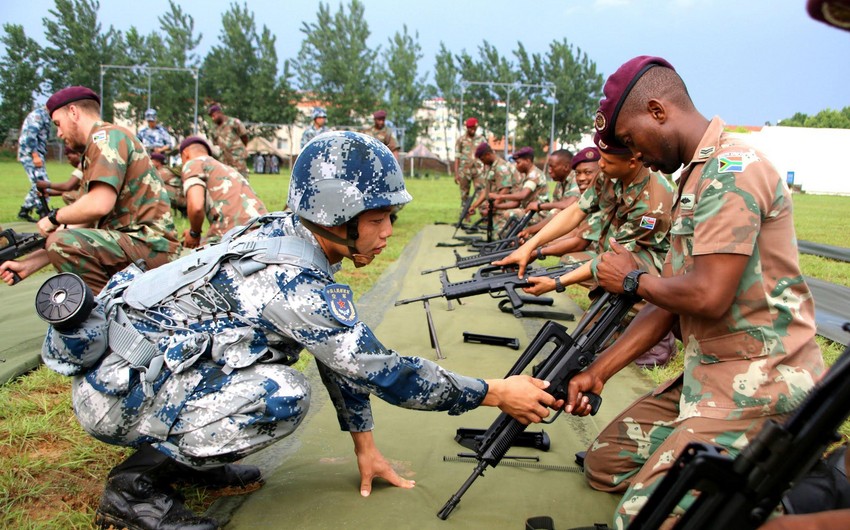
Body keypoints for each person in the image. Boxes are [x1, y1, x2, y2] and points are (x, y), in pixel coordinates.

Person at [39, 131, 559, 530]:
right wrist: (493, 392)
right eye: (378, 219)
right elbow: (386, 372)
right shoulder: (294, 283)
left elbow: (340, 351)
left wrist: (365, 445)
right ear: (337, 215)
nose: (387, 234)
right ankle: (133, 487)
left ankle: (189, 459)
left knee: (272, 374)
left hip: (138, 372)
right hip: (115, 393)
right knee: (281, 394)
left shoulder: (286, 233)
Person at [558, 56, 824, 528]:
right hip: (708, 377)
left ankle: (784, 486)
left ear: (658, 111)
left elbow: (707, 297)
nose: (635, 155)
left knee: (642, 519)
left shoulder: (732, 168)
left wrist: (633, 280)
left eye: (632, 140)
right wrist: (598, 372)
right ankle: (722, 467)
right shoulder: (695, 177)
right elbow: (668, 301)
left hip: (760, 385)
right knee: (604, 464)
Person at [0, 86, 181, 294]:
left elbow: (98, 204)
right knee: (62, 240)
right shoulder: (97, 146)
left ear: (74, 112)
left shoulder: (106, 137)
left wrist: (53, 218)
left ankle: (110, 315)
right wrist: (29, 264)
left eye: (58, 124)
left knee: (63, 242)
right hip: (139, 247)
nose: (58, 133)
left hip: (150, 247)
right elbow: (80, 223)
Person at [179, 136, 268, 248]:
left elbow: (196, 207)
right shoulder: (227, 169)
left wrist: (194, 233)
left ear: (185, 154)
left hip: (235, 234)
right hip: (264, 230)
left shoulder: (193, 164)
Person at [487, 146, 550, 224]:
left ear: (527, 161)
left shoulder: (534, 175)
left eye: (518, 163)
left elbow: (522, 195)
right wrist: (496, 206)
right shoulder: (527, 176)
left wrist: (500, 196)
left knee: (510, 214)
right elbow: (516, 203)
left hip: (539, 213)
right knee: (507, 214)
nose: (516, 166)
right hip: (530, 212)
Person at [468, 142, 518, 227]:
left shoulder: (500, 167)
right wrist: (474, 206)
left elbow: (505, 189)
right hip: (496, 208)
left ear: (488, 154)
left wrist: (494, 205)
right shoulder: (491, 167)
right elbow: (487, 191)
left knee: (502, 236)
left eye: (482, 159)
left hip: (503, 209)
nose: (483, 163)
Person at [17, 105, 53, 222]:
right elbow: (30, 136)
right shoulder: (38, 115)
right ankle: (42, 210)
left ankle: (25, 210)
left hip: (35, 153)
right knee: (41, 183)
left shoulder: (44, 115)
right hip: (31, 154)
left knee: (37, 183)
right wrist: (34, 155)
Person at [208, 104, 250, 178]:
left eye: (214, 115)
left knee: (242, 180)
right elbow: (215, 144)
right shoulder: (214, 129)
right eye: (211, 116)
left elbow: (244, 137)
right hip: (223, 160)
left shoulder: (234, 122)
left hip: (237, 158)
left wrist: (240, 150)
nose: (213, 118)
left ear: (219, 113)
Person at [454, 117, 486, 206]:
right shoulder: (461, 140)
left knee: (481, 191)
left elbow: (486, 155)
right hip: (464, 171)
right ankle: (466, 213)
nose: (473, 130)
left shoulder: (481, 139)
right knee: (464, 193)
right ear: (467, 128)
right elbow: (457, 157)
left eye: (474, 128)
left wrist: (486, 169)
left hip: (479, 171)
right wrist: (456, 173)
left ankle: (483, 211)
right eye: (471, 128)